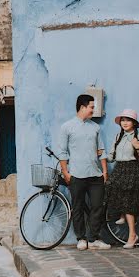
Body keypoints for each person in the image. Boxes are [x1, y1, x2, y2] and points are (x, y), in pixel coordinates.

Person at [56, 94, 111, 250]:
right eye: (92, 107)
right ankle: (81, 238)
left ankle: (93, 239)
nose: (93, 110)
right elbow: (62, 151)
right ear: (82, 107)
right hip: (76, 174)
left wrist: (105, 171)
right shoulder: (67, 127)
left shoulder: (95, 127)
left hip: (95, 174)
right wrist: (65, 172)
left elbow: (101, 150)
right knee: (78, 207)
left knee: (97, 207)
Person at [106, 109, 139, 249]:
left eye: (128, 120)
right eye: (122, 120)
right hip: (120, 167)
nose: (124, 122)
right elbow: (111, 157)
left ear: (134, 123)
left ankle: (132, 235)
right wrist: (102, 155)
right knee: (110, 184)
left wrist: (138, 148)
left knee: (128, 198)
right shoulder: (118, 136)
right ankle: (122, 213)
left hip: (134, 168)